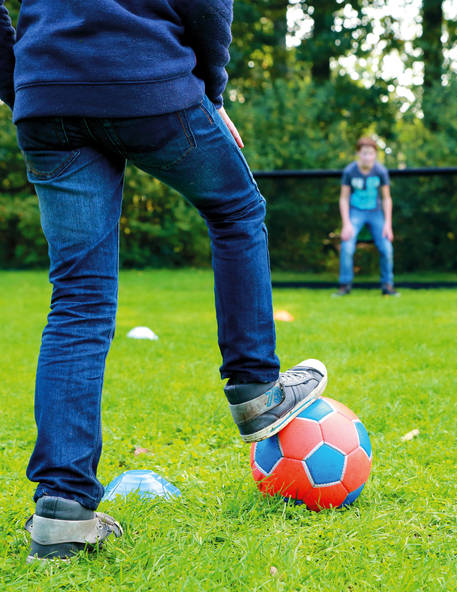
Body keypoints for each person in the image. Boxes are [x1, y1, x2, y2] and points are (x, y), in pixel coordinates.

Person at [0, 0, 327, 562]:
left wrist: (27, 82)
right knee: (236, 211)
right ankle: (255, 390)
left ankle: (62, 512)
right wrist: (211, 94)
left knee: (77, 300)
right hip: (147, 80)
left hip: (47, 95)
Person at [336, 137, 398, 296]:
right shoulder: (350, 171)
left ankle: (387, 285)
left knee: (386, 248)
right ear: (358, 154)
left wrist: (388, 224)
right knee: (347, 246)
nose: (367, 157)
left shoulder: (380, 171)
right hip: (355, 212)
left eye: (371, 153)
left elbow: (386, 198)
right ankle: (345, 285)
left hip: (376, 212)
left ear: (375, 155)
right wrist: (346, 223)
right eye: (364, 153)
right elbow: (343, 198)